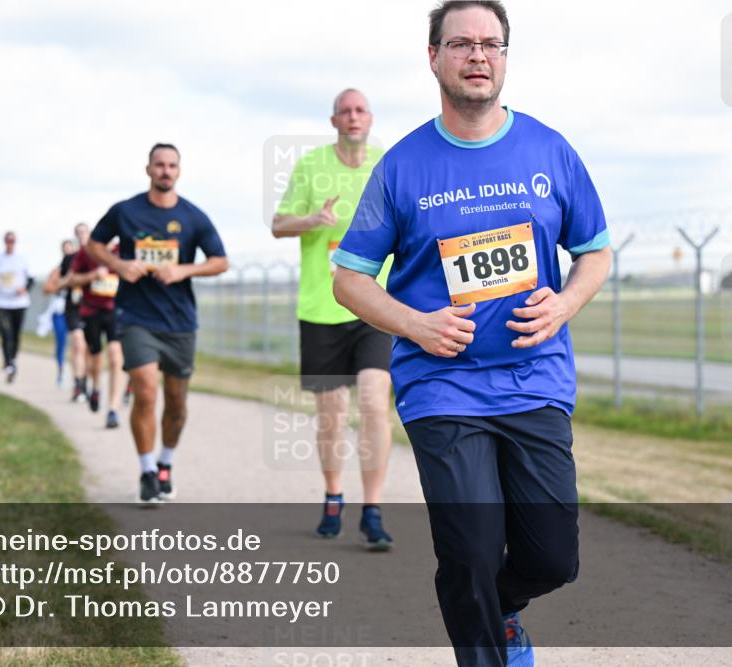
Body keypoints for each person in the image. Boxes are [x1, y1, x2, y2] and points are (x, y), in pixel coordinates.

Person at [331, 2, 612, 664]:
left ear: (505, 58)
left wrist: (565, 304)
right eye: (461, 44)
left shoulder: (550, 149)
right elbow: (350, 278)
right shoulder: (402, 167)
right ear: (435, 57)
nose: (478, 55)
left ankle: (504, 607)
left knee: (551, 556)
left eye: (492, 44)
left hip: (534, 376)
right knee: (471, 549)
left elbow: (595, 252)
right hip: (442, 385)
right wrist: (416, 324)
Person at [272, 88, 396, 550]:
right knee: (332, 416)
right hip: (321, 309)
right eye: (345, 111)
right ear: (333, 120)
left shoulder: (386, 164)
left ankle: (374, 509)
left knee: (373, 402)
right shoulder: (310, 166)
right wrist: (314, 220)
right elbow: (278, 224)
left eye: (361, 109)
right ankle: (333, 497)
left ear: (370, 117)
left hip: (374, 306)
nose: (353, 116)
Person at [88, 143, 228, 504]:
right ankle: (147, 470)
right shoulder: (126, 211)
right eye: (159, 165)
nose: (165, 171)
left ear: (179, 171)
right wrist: (119, 266)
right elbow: (95, 244)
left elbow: (220, 261)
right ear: (148, 169)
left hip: (179, 320)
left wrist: (185, 268)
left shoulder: (193, 217)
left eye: (172, 165)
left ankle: (166, 462)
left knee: (177, 403)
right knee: (146, 388)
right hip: (136, 317)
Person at [68, 240, 127, 428]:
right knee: (96, 358)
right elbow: (72, 279)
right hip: (91, 311)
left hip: (115, 311)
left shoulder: (122, 249)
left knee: (116, 357)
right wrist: (92, 276)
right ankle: (95, 388)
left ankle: (113, 410)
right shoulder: (87, 252)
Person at [0, 231, 32, 382]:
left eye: (12, 241)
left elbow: (31, 280)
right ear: (4, 242)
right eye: (8, 241)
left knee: (16, 334)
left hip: (18, 302)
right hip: (1, 302)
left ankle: (12, 358)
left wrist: (24, 289)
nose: (10, 243)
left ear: (15, 242)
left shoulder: (22, 259)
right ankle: (10, 364)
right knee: (6, 332)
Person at [43, 239, 76, 386]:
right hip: (60, 309)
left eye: (70, 249)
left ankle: (78, 376)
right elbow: (46, 289)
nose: (68, 252)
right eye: (66, 249)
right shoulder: (56, 271)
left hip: (76, 308)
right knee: (61, 342)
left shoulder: (80, 268)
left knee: (78, 343)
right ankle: (61, 370)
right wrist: (61, 284)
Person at [67, 224, 91, 401]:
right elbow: (60, 279)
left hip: (91, 307)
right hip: (74, 307)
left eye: (84, 232)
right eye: (79, 232)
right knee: (78, 343)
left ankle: (86, 382)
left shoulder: (97, 256)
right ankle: (78, 383)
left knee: (90, 350)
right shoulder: (70, 258)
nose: (82, 235)